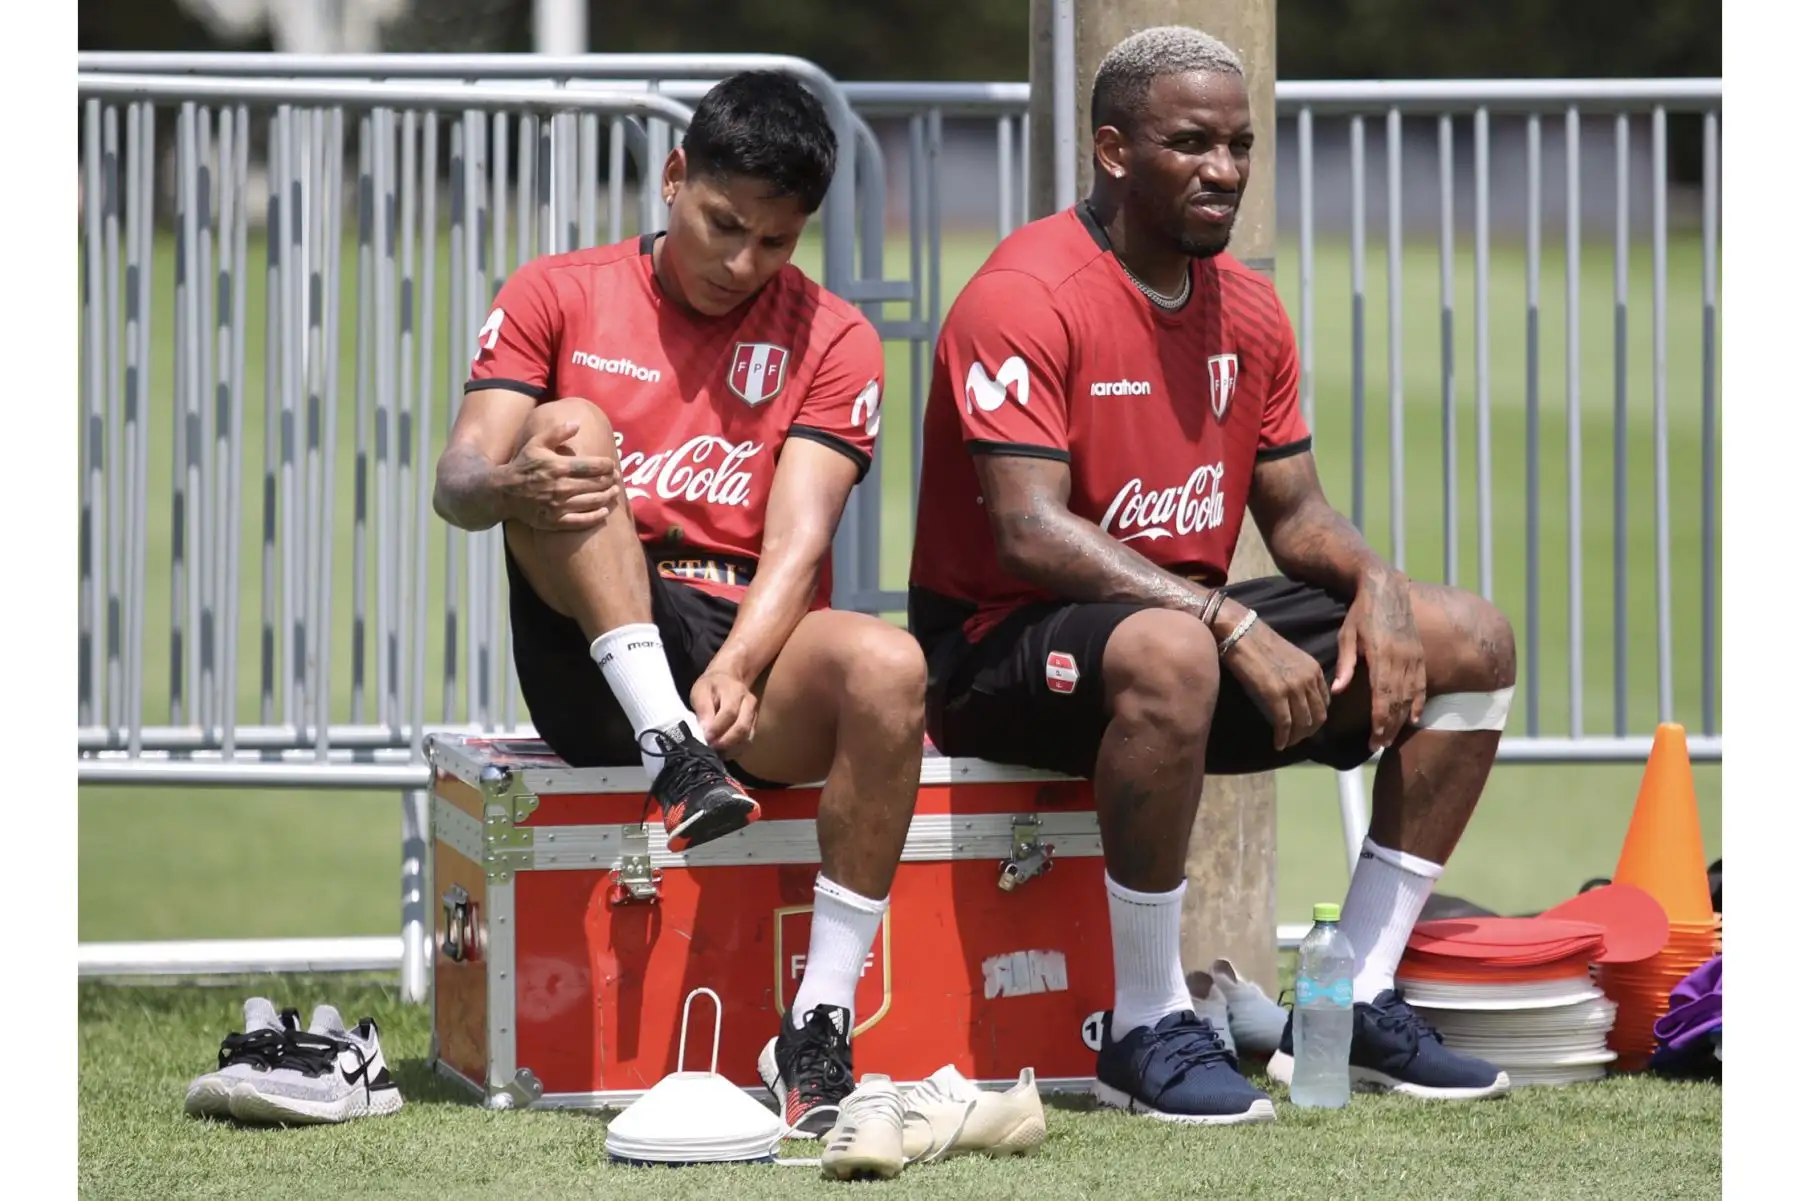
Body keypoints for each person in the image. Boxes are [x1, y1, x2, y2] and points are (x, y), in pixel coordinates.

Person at [908, 26, 1517, 1124]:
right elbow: (1029, 533)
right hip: (1000, 651)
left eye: (1240, 144)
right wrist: (1229, 622)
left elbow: (1296, 515)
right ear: (1111, 150)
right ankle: (1145, 1022)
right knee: (1176, 646)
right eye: (1191, 144)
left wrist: (1376, 578)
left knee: (1470, 634)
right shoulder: (1025, 293)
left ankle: (1359, 997)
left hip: (1177, 646)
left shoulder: (1246, 304)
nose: (1225, 170)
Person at [434, 71, 924, 1136]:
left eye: (777, 243)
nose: (743, 264)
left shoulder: (835, 336)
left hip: (741, 651)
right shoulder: (557, 289)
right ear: (672, 179)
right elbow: (458, 479)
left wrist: (743, 666)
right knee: (569, 430)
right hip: (595, 659)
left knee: (892, 667)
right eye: (723, 225)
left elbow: (799, 542)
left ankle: (818, 1021)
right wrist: (513, 484)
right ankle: (673, 749)